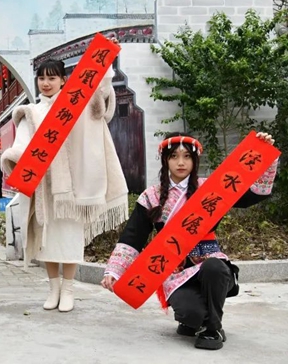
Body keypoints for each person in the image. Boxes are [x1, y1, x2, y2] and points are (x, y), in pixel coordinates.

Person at [101, 132, 278, 350]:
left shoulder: (212, 188)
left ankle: (212, 329)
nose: (181, 162)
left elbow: (253, 194)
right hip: (176, 272)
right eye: (174, 156)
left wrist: (265, 153)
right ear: (165, 160)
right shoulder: (152, 196)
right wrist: (114, 271)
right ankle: (195, 320)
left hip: (210, 264)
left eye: (187, 156)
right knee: (191, 314)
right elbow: (133, 237)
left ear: (195, 160)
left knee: (214, 268)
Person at [1, 59, 128, 312]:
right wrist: (14, 159)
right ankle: (53, 289)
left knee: (69, 239)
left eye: (52, 78)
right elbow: (21, 146)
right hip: (44, 189)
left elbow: (100, 103)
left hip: (71, 189)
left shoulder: (75, 107)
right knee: (47, 241)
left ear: (63, 80)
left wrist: (104, 66)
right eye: (42, 78)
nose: (46, 83)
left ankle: (68, 289)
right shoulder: (31, 112)